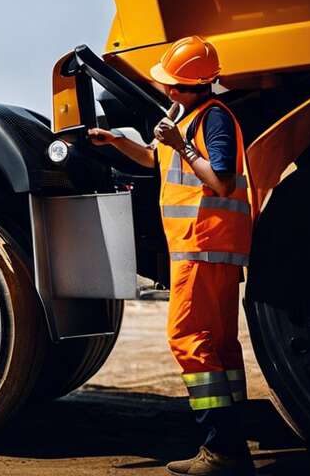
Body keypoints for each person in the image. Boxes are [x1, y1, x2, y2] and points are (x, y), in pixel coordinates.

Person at [89, 35, 254, 475]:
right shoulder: (188, 117)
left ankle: (222, 452)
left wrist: (181, 143)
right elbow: (151, 159)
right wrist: (114, 141)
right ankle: (234, 447)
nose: (165, 89)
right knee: (219, 345)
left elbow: (218, 182)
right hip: (208, 248)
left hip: (202, 246)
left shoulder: (211, 120)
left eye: (171, 84)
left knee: (187, 339)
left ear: (187, 86)